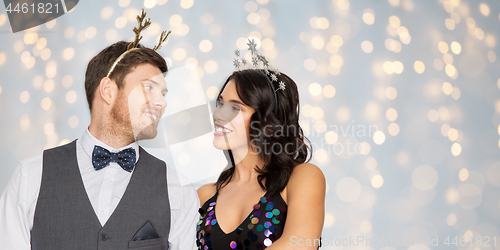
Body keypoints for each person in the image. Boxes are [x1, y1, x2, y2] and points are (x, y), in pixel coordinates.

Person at [0, 10, 199, 250]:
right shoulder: (30, 177)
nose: (161, 103)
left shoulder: (178, 189)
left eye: (163, 93)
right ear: (108, 91)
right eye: (148, 88)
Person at [196, 49, 325, 249]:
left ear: (267, 120)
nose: (218, 115)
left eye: (235, 108)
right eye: (220, 103)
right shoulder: (204, 196)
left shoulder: (303, 178)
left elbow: (300, 245)